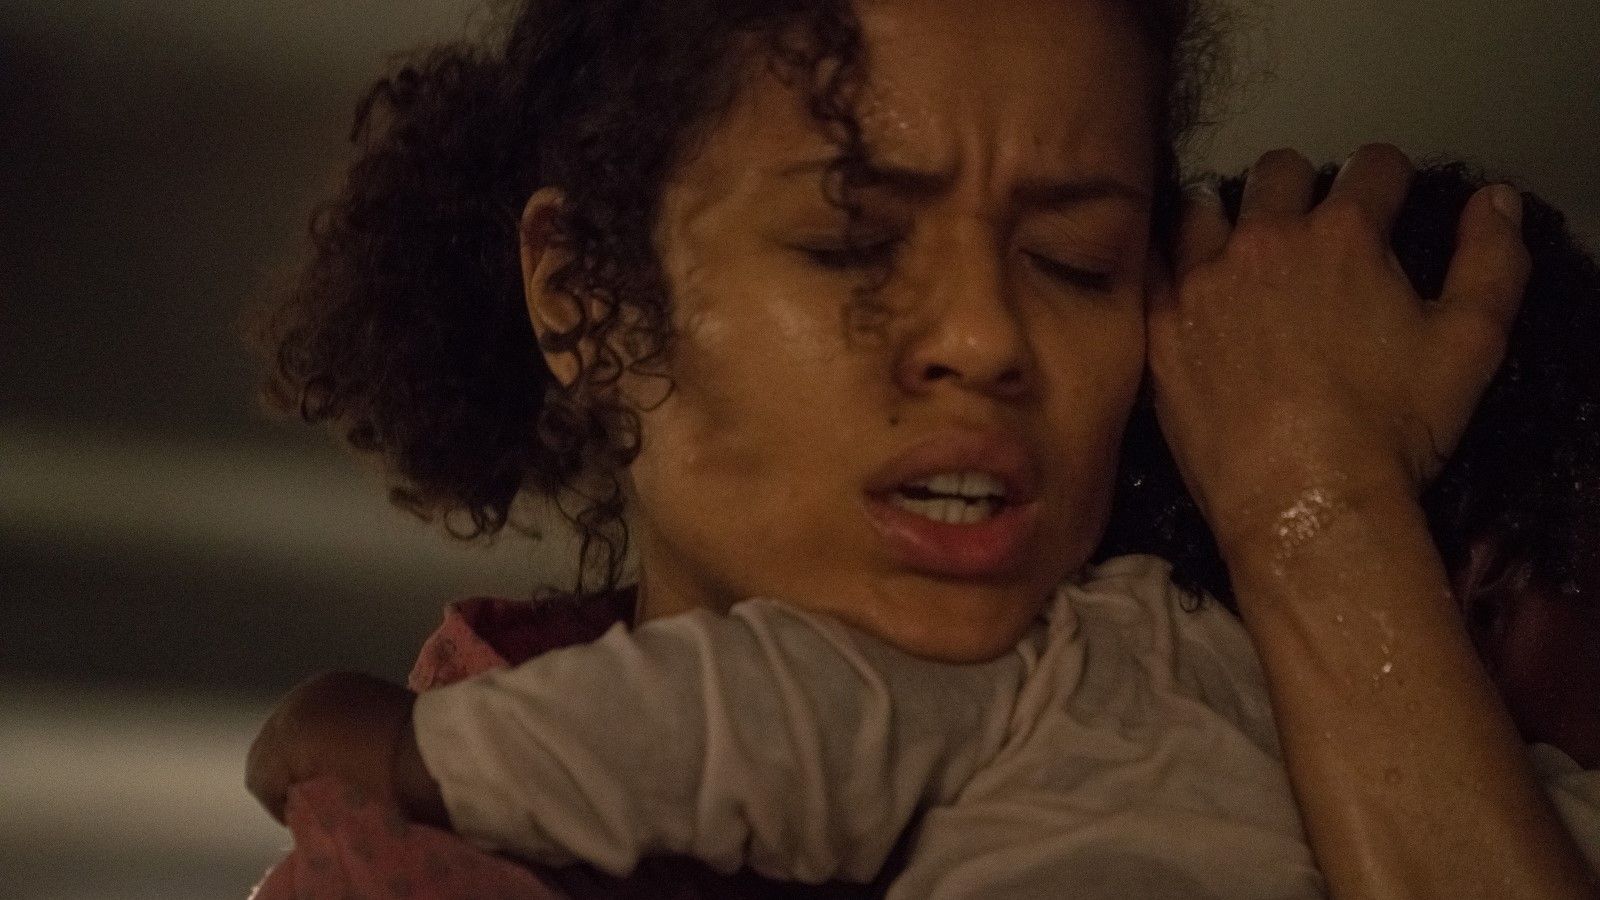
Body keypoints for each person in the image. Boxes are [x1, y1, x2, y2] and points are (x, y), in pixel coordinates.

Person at [245, 0, 1598, 896]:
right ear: (586, 298)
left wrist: (1319, 496)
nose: (985, 337)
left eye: (1075, 261)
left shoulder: (1191, 714)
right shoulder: (408, 862)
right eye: (850, 242)